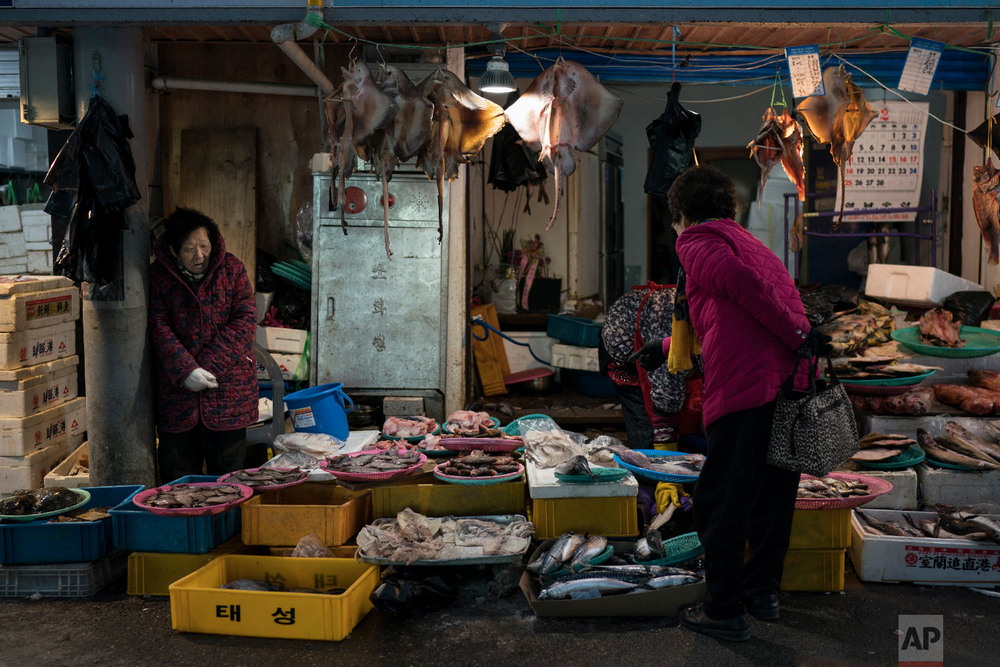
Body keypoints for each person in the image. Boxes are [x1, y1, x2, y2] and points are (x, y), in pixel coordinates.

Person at [632, 165, 831, 642]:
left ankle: (722, 609)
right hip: (785, 389)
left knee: (722, 500)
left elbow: (745, 289)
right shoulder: (750, 243)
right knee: (771, 496)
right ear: (731, 208)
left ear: (678, 213)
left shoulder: (697, 244)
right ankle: (761, 594)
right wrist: (663, 350)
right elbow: (732, 313)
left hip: (747, 391)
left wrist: (801, 335)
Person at [149, 207, 258, 483]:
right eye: (189, 249)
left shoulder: (232, 269)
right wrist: (185, 371)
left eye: (204, 246)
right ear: (174, 250)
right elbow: (158, 325)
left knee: (230, 478)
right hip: (177, 395)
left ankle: (229, 527)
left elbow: (245, 320)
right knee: (179, 482)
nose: (199, 256)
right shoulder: (159, 276)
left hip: (227, 392)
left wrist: (204, 367)